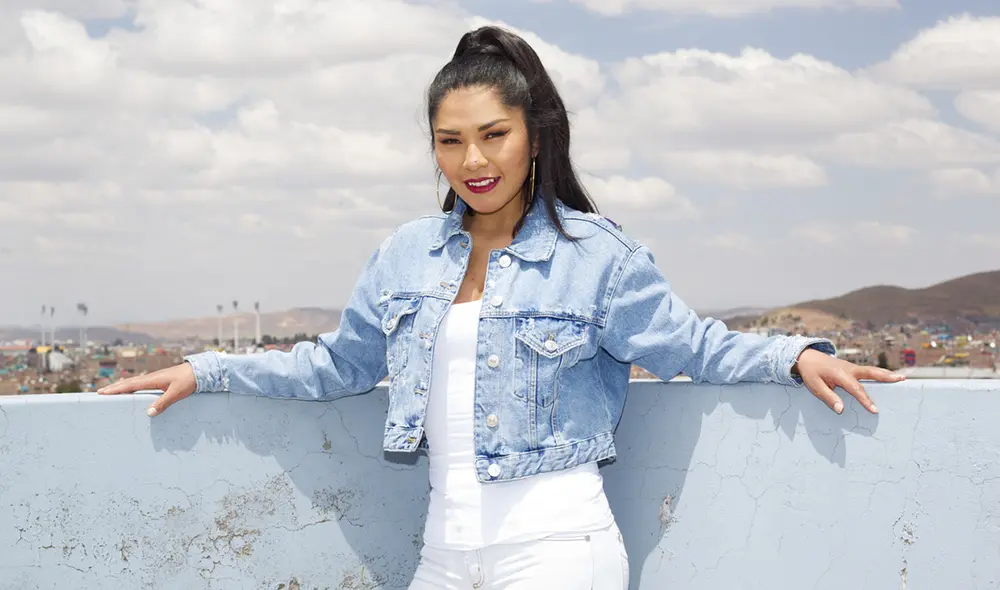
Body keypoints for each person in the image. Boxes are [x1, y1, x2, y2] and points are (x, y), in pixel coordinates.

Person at [99, 25, 905, 590]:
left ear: (535, 133)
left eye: (493, 135)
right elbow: (336, 366)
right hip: (445, 555)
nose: (473, 160)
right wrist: (206, 370)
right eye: (450, 141)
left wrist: (795, 354)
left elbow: (690, 344)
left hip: (558, 551)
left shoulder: (597, 257)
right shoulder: (405, 254)